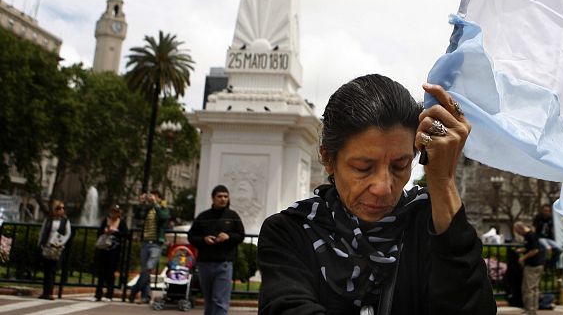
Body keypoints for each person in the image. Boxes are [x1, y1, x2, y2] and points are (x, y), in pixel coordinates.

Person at [257, 75, 496, 314]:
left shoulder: (431, 223)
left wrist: (443, 180)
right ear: (328, 159)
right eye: (363, 167)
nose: (382, 187)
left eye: (400, 166)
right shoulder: (290, 232)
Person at [189, 184, 245, 315]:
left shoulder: (233, 216)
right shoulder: (203, 216)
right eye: (220, 196)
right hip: (205, 263)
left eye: (226, 196)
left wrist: (229, 237)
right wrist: (204, 239)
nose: (223, 199)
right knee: (208, 301)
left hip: (224, 264)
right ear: (213, 198)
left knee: (220, 301)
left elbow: (240, 235)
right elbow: (191, 236)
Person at [128, 189, 170, 304]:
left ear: (159, 198)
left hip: (156, 243)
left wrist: (156, 204)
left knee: (148, 268)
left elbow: (164, 217)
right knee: (145, 271)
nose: (152, 198)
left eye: (155, 196)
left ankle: (133, 291)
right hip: (146, 242)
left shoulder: (163, 207)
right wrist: (141, 203)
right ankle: (145, 296)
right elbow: (138, 216)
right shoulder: (148, 208)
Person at [38, 200, 71, 300]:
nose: (61, 210)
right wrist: (40, 244)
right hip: (47, 246)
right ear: (54, 209)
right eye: (59, 208)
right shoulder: (48, 219)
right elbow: (42, 232)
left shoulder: (65, 221)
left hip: (56, 248)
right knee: (46, 270)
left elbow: (68, 234)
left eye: (63, 208)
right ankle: (45, 292)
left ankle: (50, 292)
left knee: (52, 270)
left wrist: (60, 243)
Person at [94, 204, 128, 301]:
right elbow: (99, 232)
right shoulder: (106, 221)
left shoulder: (121, 222)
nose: (114, 214)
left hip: (114, 249)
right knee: (101, 272)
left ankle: (109, 294)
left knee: (111, 272)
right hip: (104, 248)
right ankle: (98, 294)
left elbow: (125, 233)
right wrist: (105, 231)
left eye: (116, 212)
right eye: (112, 212)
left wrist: (115, 232)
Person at [513, 222, 546, 314]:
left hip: (533, 265)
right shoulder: (530, 235)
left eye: (518, 232)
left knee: (528, 288)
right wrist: (522, 250)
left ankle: (530, 310)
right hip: (538, 264)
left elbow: (535, 250)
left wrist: (523, 257)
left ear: (520, 228)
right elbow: (531, 247)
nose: (518, 234)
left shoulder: (530, 235)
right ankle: (533, 309)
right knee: (534, 288)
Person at [532, 204, 562, 269]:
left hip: (548, 238)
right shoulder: (538, 217)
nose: (546, 212)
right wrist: (534, 238)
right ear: (542, 211)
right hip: (540, 237)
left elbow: (553, 229)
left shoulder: (551, 219)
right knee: (547, 248)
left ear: (549, 212)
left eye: (547, 211)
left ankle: (550, 265)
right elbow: (534, 228)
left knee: (559, 249)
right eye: (545, 210)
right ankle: (543, 265)